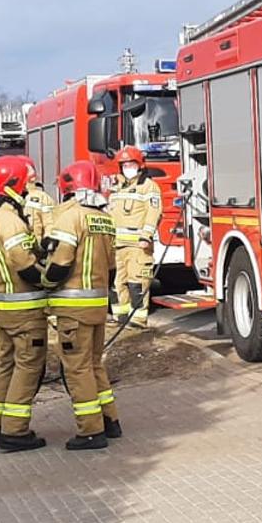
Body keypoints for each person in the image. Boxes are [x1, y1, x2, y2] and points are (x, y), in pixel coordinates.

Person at [42, 161, 121, 450]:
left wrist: (45, 283)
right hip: (97, 304)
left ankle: (90, 431)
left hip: (73, 307)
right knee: (93, 365)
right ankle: (110, 421)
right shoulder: (104, 218)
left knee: (77, 369)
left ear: (67, 187)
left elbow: (61, 261)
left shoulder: (69, 217)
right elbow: (111, 266)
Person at [0, 156, 51, 452]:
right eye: (25, 182)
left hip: (4, 305)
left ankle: (1, 423)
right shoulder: (9, 218)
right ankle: (15, 431)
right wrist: (49, 280)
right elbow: (24, 265)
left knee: (7, 364)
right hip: (24, 307)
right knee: (29, 365)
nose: (27, 188)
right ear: (13, 184)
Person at [107, 146, 162, 327]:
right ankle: (120, 317)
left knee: (137, 283)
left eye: (131, 164)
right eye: (124, 164)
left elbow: (154, 213)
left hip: (139, 246)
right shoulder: (117, 187)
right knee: (117, 284)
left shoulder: (148, 187)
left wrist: (146, 236)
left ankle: (138, 319)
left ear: (140, 165)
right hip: (117, 245)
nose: (127, 167)